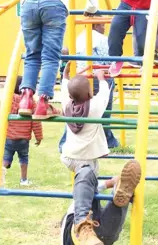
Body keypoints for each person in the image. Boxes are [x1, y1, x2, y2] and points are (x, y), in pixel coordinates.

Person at [18, 0, 100, 120]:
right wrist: (92, 6)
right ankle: (43, 102)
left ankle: (26, 100)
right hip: (54, 4)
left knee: (32, 54)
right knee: (50, 56)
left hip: (28, 3)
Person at [60, 61, 113, 243]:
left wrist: (65, 76)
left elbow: (63, 90)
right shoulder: (94, 108)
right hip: (86, 160)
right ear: (90, 93)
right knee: (89, 176)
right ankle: (83, 222)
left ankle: (83, 214)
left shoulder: (67, 105)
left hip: (68, 157)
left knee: (86, 181)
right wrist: (101, 79)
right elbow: (104, 95)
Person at [59, 22, 119, 151]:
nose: (104, 27)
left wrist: (66, 75)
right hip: (96, 77)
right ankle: (108, 140)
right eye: (102, 25)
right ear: (96, 25)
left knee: (71, 109)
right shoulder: (102, 39)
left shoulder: (79, 37)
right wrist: (103, 77)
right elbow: (109, 60)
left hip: (79, 77)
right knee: (103, 110)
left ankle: (65, 141)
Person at [97, 0, 158, 77]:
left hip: (144, 5)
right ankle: (116, 59)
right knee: (115, 30)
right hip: (126, 1)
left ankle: (145, 62)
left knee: (142, 38)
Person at [60, 160, 141, 245]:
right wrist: (109, 183)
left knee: (86, 175)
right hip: (97, 237)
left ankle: (84, 226)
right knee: (86, 174)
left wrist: (108, 183)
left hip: (81, 234)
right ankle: (120, 193)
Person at [0, 76, 43, 186]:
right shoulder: (30, 103)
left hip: (9, 137)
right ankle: (23, 180)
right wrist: (39, 137)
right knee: (24, 158)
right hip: (24, 139)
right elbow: (36, 121)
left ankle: (0, 175)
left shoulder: (7, 101)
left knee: (6, 157)